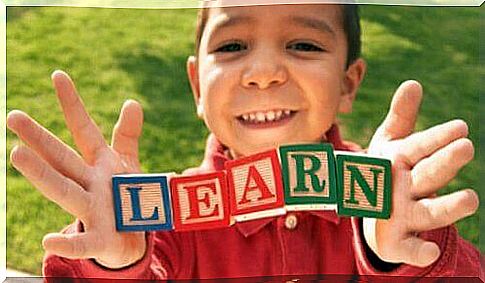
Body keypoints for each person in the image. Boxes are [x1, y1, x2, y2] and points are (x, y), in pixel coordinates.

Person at [7, 2, 482, 280]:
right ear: (197, 86)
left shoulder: (388, 202)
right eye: (232, 46)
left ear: (348, 84)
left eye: (304, 45)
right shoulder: (159, 224)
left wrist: (399, 255)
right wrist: (110, 263)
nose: (263, 73)